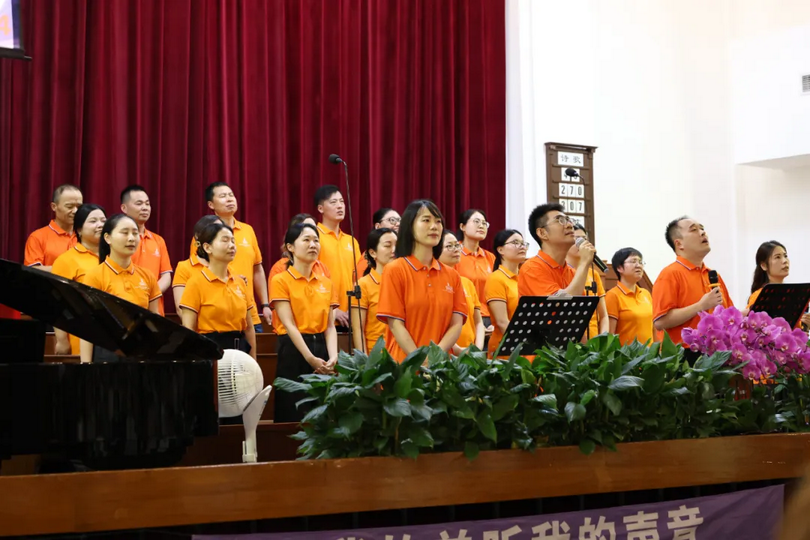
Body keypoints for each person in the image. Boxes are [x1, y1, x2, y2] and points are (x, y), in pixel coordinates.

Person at [377, 199, 467, 362]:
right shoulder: (395, 270)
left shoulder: (452, 276)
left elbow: (456, 324)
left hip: (440, 367)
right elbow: (395, 324)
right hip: (403, 366)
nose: (434, 226)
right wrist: (420, 360)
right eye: (426, 220)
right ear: (410, 226)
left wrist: (435, 356)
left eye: (438, 221)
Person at [270, 223, 339, 423]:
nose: (313, 245)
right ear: (290, 247)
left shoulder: (326, 283)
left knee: (322, 413)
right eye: (306, 240)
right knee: (292, 412)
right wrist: (309, 357)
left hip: (322, 350)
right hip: (294, 348)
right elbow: (289, 324)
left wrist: (333, 357)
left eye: (316, 240)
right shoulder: (281, 280)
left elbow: (330, 326)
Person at [81, 214, 161, 363]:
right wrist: (85, 365)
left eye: (135, 233)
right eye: (124, 233)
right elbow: (89, 326)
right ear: (108, 238)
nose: (131, 238)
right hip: (108, 353)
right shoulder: (95, 276)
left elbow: (155, 321)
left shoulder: (147, 276)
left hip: (141, 352)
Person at [179, 221, 257, 359]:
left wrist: (253, 361)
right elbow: (188, 330)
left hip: (240, 354)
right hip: (209, 354)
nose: (232, 245)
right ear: (208, 247)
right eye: (225, 240)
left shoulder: (239, 282)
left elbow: (249, 328)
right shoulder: (195, 282)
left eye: (233, 241)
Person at [201, 182, 271, 332]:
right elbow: (199, 270)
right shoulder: (204, 233)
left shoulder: (247, 230)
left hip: (249, 313)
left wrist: (265, 304)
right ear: (211, 204)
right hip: (219, 315)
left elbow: (257, 269)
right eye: (223, 196)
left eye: (231, 195)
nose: (229, 199)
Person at [652, 216, 733, 344]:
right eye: (694, 230)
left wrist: (750, 311)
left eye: (702, 228)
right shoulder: (670, 274)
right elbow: (660, 322)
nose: (702, 232)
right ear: (679, 244)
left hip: (715, 351)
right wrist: (701, 306)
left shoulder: (712, 275)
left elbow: (728, 313)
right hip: (683, 354)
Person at [51, 204, 107, 355]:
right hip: (81, 337)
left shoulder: (114, 258)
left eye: (103, 220)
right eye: (93, 221)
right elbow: (57, 303)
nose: (100, 225)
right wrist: (62, 340)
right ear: (79, 230)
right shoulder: (66, 260)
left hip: (112, 338)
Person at [268, 213, 330, 334]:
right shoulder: (280, 269)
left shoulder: (323, 268)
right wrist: (308, 354)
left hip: (319, 334)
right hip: (291, 335)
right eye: (306, 238)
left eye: (315, 237)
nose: (312, 243)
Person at [518, 203, 595, 298]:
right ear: (542, 233)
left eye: (569, 220)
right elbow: (560, 306)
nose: (570, 225)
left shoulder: (571, 272)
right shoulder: (531, 269)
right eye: (560, 220)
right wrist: (583, 263)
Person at [314, 185, 362, 329]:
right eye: (333, 202)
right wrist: (333, 310)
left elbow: (358, 278)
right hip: (323, 317)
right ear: (320, 208)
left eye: (342, 201)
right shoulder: (314, 238)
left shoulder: (351, 241)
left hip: (350, 316)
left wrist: (353, 308)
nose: (340, 206)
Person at [120, 186, 172, 315]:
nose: (145, 207)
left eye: (147, 204)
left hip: (155, 310)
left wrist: (150, 293)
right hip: (127, 305)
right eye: (139, 203)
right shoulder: (119, 239)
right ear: (124, 208)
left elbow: (166, 275)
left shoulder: (158, 240)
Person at [351, 228, 397, 353]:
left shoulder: (404, 282)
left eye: (397, 245)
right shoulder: (363, 285)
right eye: (388, 245)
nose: (394, 250)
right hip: (376, 356)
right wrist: (365, 362)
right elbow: (358, 329)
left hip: (402, 354)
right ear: (373, 253)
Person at [438, 230, 485, 354]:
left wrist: (477, 349)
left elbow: (478, 321)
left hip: (471, 353)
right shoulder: (433, 283)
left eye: (457, 245)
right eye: (449, 246)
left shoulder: (467, 283)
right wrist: (457, 349)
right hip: (446, 352)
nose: (456, 249)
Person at [746, 241, 810, 328]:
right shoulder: (758, 295)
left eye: (785, 256)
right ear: (764, 265)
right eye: (777, 257)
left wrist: (805, 324)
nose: (784, 261)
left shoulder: (796, 294)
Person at [485, 229, 526, 356]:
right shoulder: (496, 278)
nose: (522, 246)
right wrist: (523, 344)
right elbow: (502, 322)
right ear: (500, 250)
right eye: (515, 242)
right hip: (507, 348)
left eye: (523, 243)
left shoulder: (525, 278)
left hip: (527, 346)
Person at [24, 184, 83, 271]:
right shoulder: (38, 237)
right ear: (54, 207)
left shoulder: (86, 235)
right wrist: (68, 270)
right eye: (69, 207)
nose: (75, 211)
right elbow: (32, 270)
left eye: (79, 207)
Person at [567, 224, 609, 338]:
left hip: (594, 342)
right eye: (577, 239)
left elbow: (604, 315)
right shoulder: (562, 273)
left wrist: (603, 339)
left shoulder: (593, 274)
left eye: (584, 239)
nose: (582, 243)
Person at [455, 209, 496, 325]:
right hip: (464, 317)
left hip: (489, 318)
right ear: (462, 226)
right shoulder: (454, 253)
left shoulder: (490, 257)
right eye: (476, 221)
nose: (481, 226)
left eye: (484, 223)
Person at [172, 215, 223, 310]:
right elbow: (181, 309)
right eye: (213, 230)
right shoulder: (184, 267)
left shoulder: (226, 267)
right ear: (197, 236)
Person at [605, 248, 654, 345]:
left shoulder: (645, 294)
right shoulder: (613, 295)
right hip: (627, 357)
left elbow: (654, 328)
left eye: (640, 262)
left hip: (650, 357)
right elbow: (609, 335)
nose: (638, 265)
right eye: (633, 261)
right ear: (620, 268)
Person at [355, 208, 401, 277]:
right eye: (392, 220)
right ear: (378, 226)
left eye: (400, 220)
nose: (398, 224)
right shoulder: (367, 258)